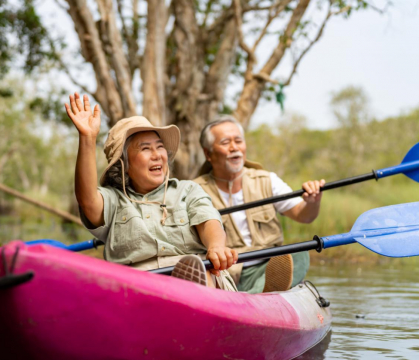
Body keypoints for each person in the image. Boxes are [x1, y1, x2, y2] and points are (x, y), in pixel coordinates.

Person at [65, 93, 238, 290]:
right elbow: (87, 200)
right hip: (137, 286)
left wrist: (216, 246)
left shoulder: (187, 190)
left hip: (195, 274)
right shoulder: (114, 200)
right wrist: (87, 138)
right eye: (145, 149)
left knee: (200, 271)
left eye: (160, 147)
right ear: (124, 165)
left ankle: (254, 292)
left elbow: (209, 222)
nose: (157, 155)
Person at [194, 116, 325, 293]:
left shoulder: (267, 180)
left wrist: (313, 201)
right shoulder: (193, 190)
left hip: (268, 266)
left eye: (238, 141)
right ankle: (255, 296)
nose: (235, 148)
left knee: (300, 253)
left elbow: (304, 215)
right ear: (208, 154)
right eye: (225, 142)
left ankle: (258, 293)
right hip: (224, 272)